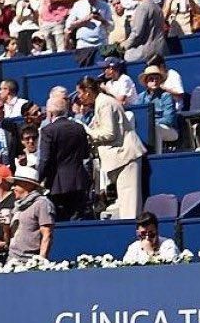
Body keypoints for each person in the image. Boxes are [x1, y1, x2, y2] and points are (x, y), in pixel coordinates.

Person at [84, 74, 147, 220]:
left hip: (125, 156)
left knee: (130, 207)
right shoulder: (101, 102)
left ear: (87, 92)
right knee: (124, 205)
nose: (80, 98)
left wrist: (87, 131)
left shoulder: (105, 103)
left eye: (80, 93)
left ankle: (131, 231)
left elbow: (109, 133)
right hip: (119, 158)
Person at [35, 86, 96, 222]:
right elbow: (85, 154)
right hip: (79, 182)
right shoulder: (79, 127)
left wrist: (37, 180)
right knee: (77, 221)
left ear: (50, 112)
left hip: (58, 185)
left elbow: (45, 159)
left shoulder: (48, 130)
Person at [6, 167, 56, 263]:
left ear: (27, 185)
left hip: (30, 262)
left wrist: (40, 262)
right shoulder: (18, 205)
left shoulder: (42, 203)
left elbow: (47, 234)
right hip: (12, 260)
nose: (12, 187)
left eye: (16, 184)